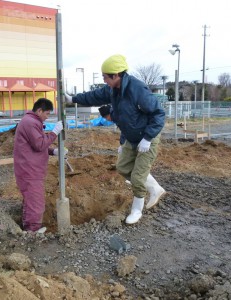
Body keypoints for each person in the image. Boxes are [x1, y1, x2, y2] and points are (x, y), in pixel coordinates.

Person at [65, 54, 166, 224]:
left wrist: (148, 138)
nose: (104, 80)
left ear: (116, 75)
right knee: (122, 167)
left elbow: (159, 114)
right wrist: (73, 99)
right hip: (131, 138)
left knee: (137, 177)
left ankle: (136, 210)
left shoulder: (137, 89)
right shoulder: (113, 90)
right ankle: (155, 188)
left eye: (105, 77)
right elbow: (94, 96)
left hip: (148, 136)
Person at [13, 98, 65, 233]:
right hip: (29, 171)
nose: (47, 117)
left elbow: (35, 144)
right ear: (39, 110)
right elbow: (39, 144)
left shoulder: (31, 121)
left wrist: (53, 151)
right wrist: (54, 133)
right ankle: (32, 232)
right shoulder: (30, 123)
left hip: (30, 169)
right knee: (36, 203)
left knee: (31, 201)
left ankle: (28, 227)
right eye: (47, 113)